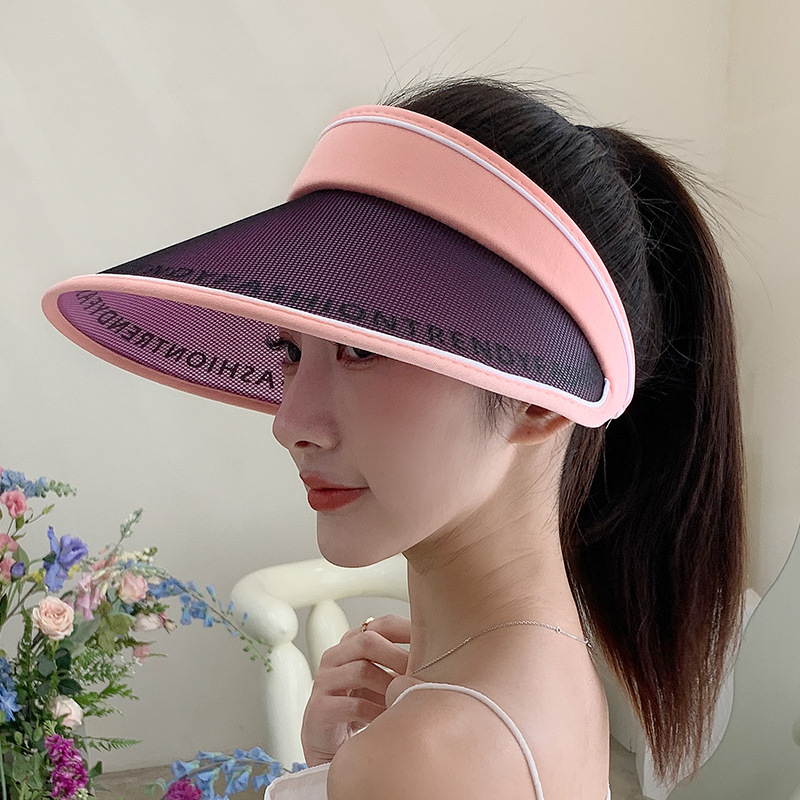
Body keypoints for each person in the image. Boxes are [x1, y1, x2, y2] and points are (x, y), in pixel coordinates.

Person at [41, 73, 747, 800]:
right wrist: (333, 766)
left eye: (361, 350)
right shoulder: (543, 668)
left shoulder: (429, 754)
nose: (289, 424)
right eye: (289, 349)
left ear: (540, 398)